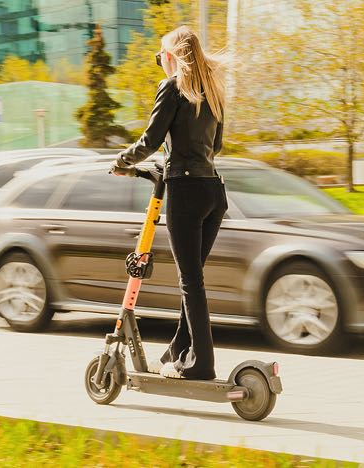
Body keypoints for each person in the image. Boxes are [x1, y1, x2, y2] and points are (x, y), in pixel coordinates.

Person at [111, 26, 226, 380]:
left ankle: (201, 364)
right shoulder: (214, 92)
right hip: (213, 191)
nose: (160, 61)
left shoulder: (173, 87)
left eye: (160, 55)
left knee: (190, 281)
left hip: (186, 192)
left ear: (172, 56)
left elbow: (149, 140)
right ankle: (179, 351)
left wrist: (121, 161)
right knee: (193, 279)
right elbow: (215, 146)